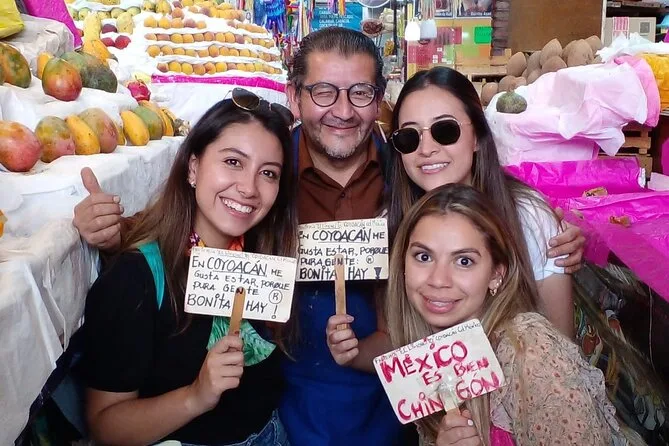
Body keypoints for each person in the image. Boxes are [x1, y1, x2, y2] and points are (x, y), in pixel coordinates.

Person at [73, 28, 583, 445]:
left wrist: (541, 227)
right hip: (289, 419)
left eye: (359, 93)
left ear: (378, 101)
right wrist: (113, 231)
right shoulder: (267, 177)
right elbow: (195, 221)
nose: (342, 110)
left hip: (407, 415)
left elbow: (476, 214)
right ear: (294, 96)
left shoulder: (410, 177)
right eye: (323, 92)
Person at [83, 95, 298, 445]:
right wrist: (196, 396)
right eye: (233, 161)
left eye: (268, 173)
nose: (249, 188)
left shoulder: (269, 258)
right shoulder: (135, 278)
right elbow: (105, 425)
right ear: (193, 167)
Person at [385, 183, 626, 445]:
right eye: (423, 257)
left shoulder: (529, 352)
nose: (438, 280)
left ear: (496, 275)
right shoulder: (425, 359)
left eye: (464, 261)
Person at [386, 67, 576, 338]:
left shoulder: (529, 217)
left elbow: (560, 345)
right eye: (409, 137)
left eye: (445, 130)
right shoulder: (392, 222)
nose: (426, 149)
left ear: (476, 136)